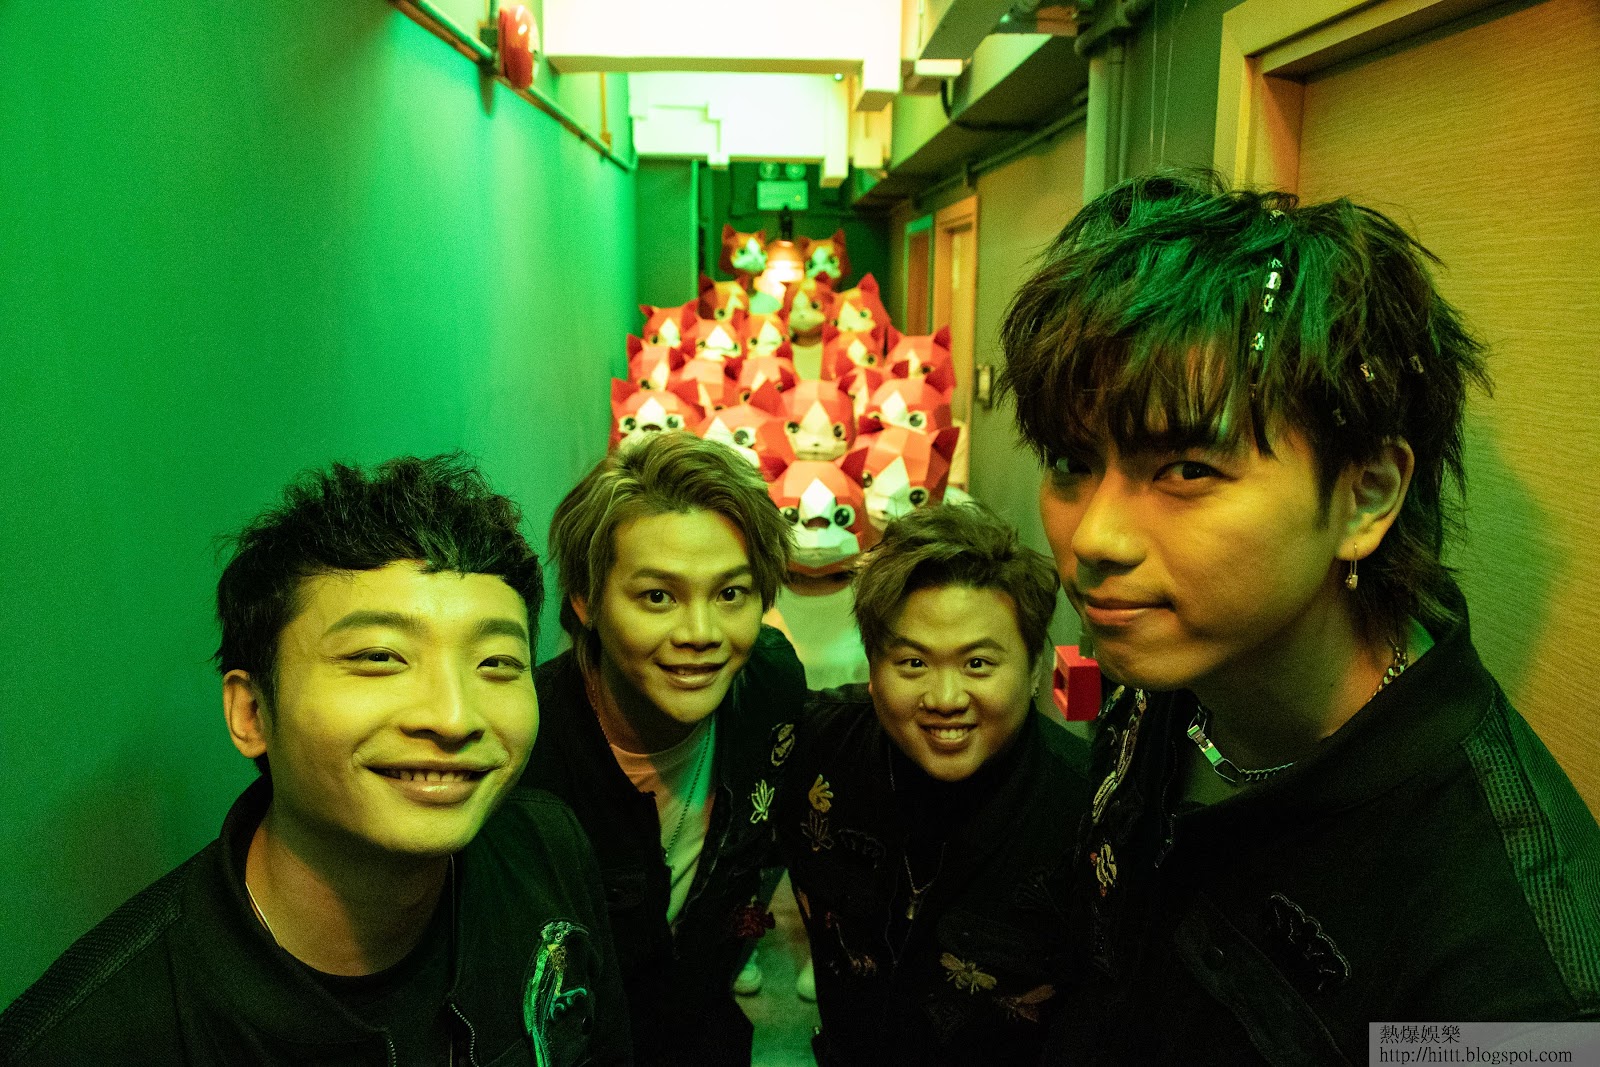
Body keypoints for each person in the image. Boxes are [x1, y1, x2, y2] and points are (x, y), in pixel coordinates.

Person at [998, 171, 1600, 1062]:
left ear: (1367, 495)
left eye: (1187, 470)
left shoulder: (1514, 976)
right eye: (1070, 461)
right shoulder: (1179, 660)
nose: (1094, 537)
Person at [0, 454, 628, 1066]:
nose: (455, 717)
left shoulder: (547, 849)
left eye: (497, 663)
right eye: (379, 658)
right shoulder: (98, 1038)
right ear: (252, 713)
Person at [776, 503, 1088, 1065]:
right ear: (872, 670)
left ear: (1034, 669)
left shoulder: (1088, 813)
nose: (945, 699)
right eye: (913, 664)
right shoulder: (815, 749)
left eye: (978, 664)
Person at [529, 431, 806, 1064]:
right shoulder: (530, 751)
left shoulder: (769, 690)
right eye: (658, 596)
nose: (701, 634)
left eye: (730, 594)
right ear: (586, 601)